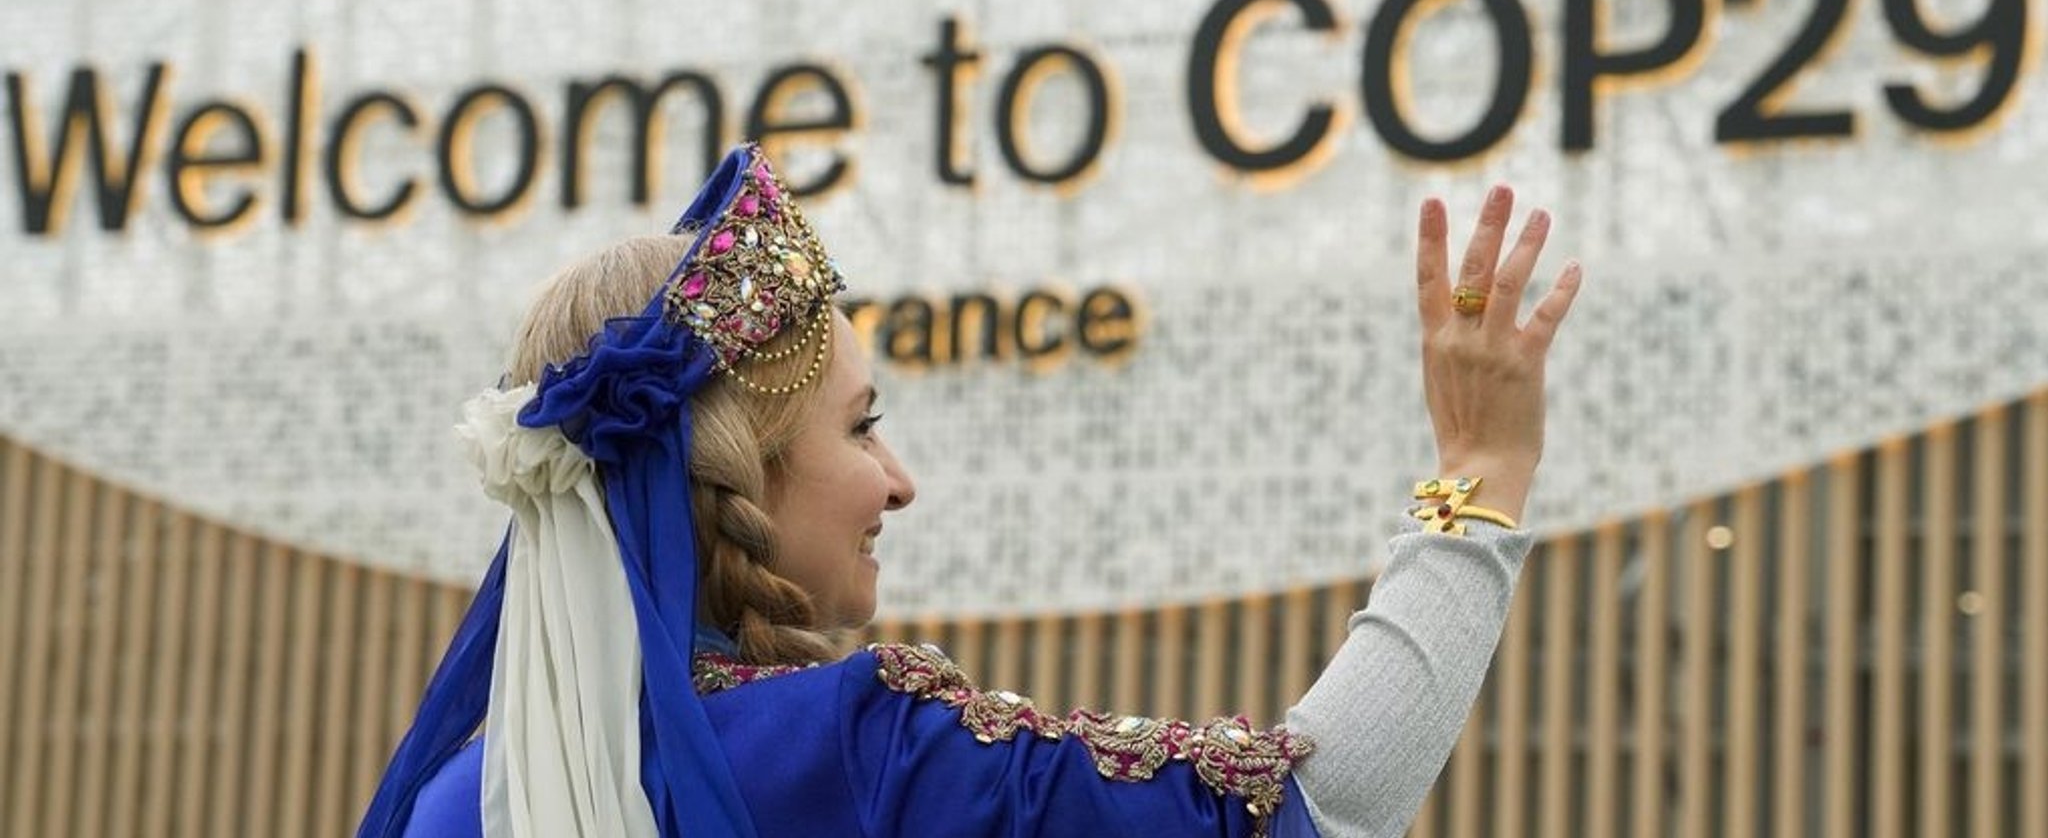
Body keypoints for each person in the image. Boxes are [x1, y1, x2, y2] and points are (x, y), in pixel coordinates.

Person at [357, 143, 1582, 838]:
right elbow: (1321, 801)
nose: (899, 479)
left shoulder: (460, 798)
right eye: (862, 425)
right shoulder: (857, 745)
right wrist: (1478, 480)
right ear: (739, 469)